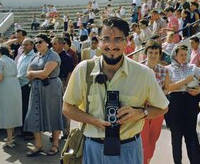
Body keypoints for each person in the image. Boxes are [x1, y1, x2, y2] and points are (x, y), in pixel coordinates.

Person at [63, 17, 169, 164]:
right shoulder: (83, 69)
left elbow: (162, 107)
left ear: (127, 41)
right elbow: (67, 107)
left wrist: (141, 113)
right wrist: (93, 121)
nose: (111, 46)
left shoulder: (143, 74)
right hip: (93, 148)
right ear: (99, 41)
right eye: (106, 39)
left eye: (118, 39)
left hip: (128, 149)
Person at [167, 44, 200, 164]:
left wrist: (199, 90)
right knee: (176, 137)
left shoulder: (192, 67)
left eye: (186, 54)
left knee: (191, 135)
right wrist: (186, 81)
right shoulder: (169, 69)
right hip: (175, 103)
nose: (184, 57)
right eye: (181, 54)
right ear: (175, 55)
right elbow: (168, 87)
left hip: (190, 102)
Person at [24, 34, 63, 157]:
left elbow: (45, 73)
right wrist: (35, 74)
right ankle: (38, 145)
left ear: (47, 43)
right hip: (36, 89)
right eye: (36, 42)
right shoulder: (35, 56)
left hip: (51, 88)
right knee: (33, 115)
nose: (38, 44)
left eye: (40, 41)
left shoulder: (53, 55)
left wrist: (33, 73)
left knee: (54, 114)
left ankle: (55, 145)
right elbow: (27, 74)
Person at [141, 42, 170, 164]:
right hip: (142, 110)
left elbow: (167, 88)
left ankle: (147, 160)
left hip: (157, 110)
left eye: (156, 53)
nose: (153, 55)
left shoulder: (164, 71)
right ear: (146, 53)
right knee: (143, 141)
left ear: (159, 55)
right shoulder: (139, 68)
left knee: (153, 140)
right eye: (150, 52)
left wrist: (158, 95)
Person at [0, 44, 22, 148]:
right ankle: (11, 136)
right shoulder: (12, 60)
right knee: (13, 110)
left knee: (6, 111)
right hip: (14, 85)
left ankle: (9, 139)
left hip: (5, 86)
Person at [16, 38, 35, 140]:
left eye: (26, 45)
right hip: (19, 85)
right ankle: (23, 130)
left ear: (32, 45)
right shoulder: (22, 56)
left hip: (28, 85)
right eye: (23, 45)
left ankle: (30, 132)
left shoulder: (34, 56)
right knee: (22, 109)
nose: (24, 47)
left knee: (28, 109)